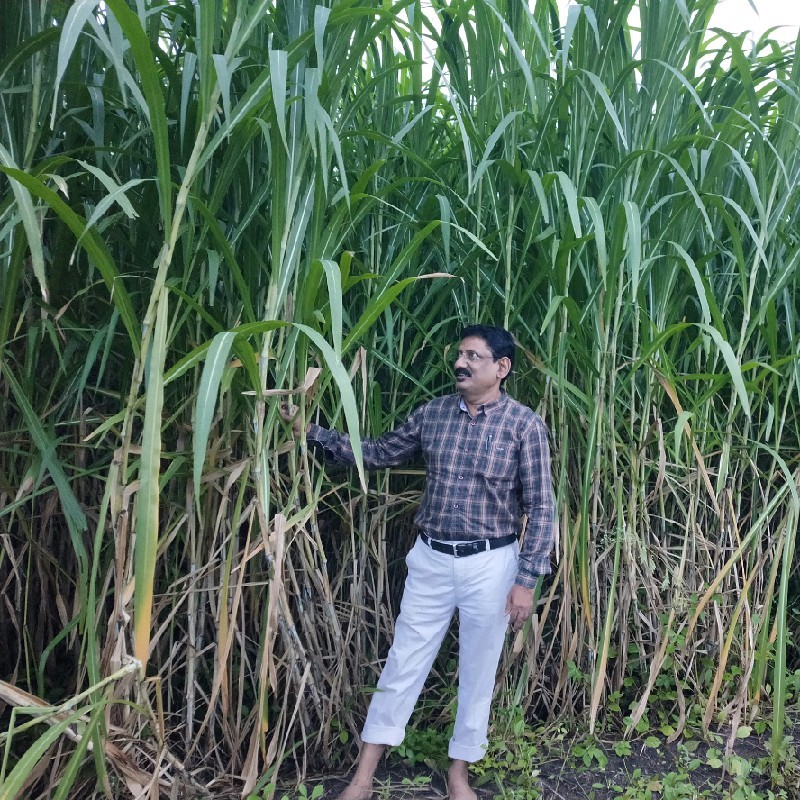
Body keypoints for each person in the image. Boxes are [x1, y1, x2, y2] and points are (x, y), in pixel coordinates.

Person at [282, 324, 555, 800]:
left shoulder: (524, 426)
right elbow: (380, 453)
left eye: (474, 356)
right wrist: (309, 432)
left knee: (477, 669)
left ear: (501, 368)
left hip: (492, 565)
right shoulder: (434, 415)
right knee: (403, 662)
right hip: (430, 558)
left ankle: (458, 776)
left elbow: (542, 508)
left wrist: (526, 580)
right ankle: (363, 778)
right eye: (459, 354)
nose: (461, 363)